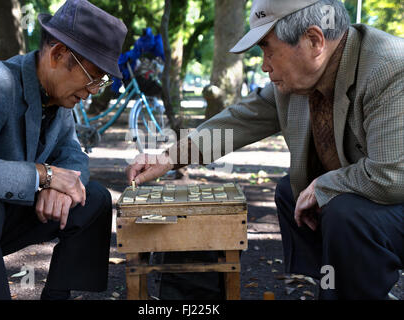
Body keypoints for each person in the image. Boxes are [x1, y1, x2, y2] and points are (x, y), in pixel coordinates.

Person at [126, 0, 403, 299]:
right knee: (292, 191)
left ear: (313, 40)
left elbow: (393, 174)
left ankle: (357, 292)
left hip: (393, 194)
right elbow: (240, 121)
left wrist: (325, 185)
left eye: (268, 49)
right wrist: (169, 157)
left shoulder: (389, 68)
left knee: (342, 210)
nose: (264, 64)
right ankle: (327, 286)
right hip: (375, 199)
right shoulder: (301, 79)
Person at [0, 0, 127, 300]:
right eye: (92, 76)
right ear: (58, 54)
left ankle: (58, 295)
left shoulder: (59, 96)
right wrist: (42, 176)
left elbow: (73, 153)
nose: (95, 90)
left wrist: (61, 185)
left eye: (102, 80)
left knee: (94, 198)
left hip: (4, 217)